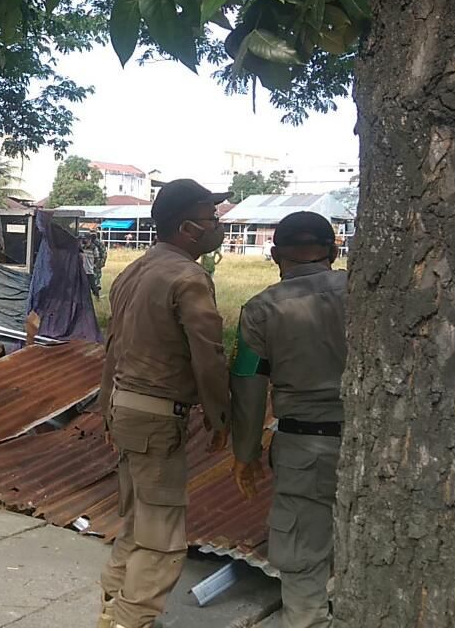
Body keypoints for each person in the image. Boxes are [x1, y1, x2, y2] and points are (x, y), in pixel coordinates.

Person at [96, 179, 231, 628]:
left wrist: (105, 409)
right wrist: (220, 416)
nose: (219, 227)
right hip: (156, 417)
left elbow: (112, 348)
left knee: (138, 523)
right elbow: (208, 355)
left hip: (125, 409)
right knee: (161, 538)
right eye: (212, 220)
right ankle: (129, 620)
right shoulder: (189, 277)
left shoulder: (135, 270)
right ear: (188, 228)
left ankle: (114, 607)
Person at [230, 212, 346, 628]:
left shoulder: (260, 311)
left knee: (303, 566)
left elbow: (247, 384)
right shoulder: (367, 292)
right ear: (333, 252)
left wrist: (245, 453)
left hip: (304, 450)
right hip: (376, 448)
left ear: (276, 254)